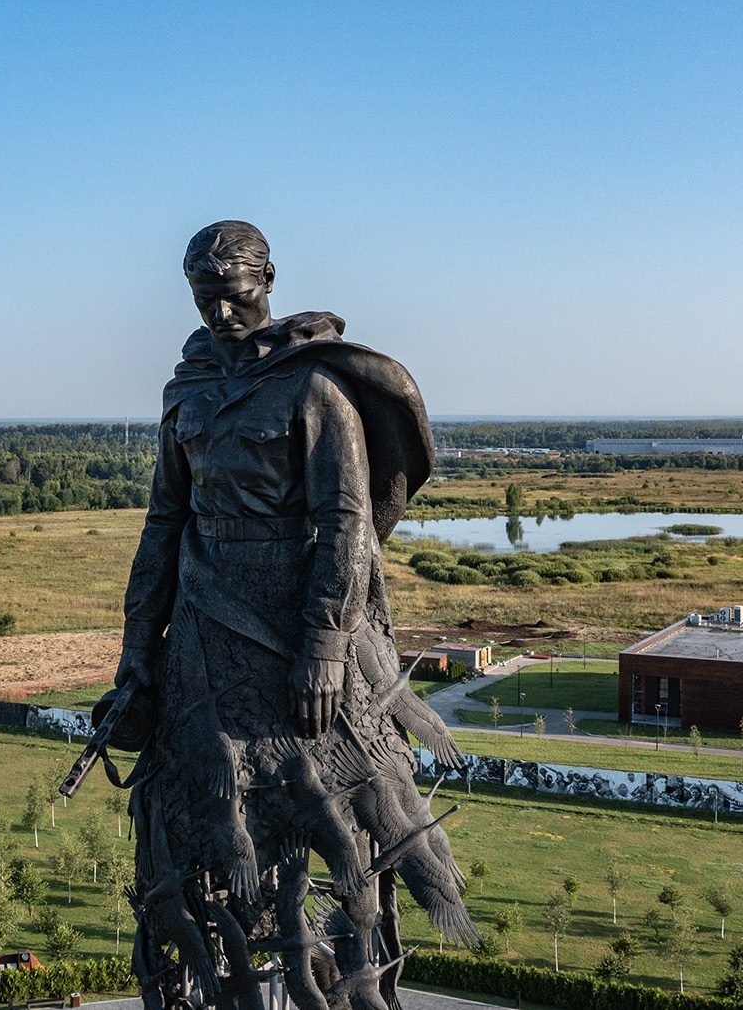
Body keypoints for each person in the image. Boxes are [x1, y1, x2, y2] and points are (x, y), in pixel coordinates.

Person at [113, 221, 474, 1010]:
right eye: (204, 300)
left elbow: (346, 520)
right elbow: (163, 523)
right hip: (207, 639)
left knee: (337, 813)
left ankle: (343, 987)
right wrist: (137, 656)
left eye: (234, 297)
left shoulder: (315, 386)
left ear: (268, 279)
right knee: (204, 828)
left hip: (298, 639)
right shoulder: (188, 390)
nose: (219, 316)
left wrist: (324, 644)